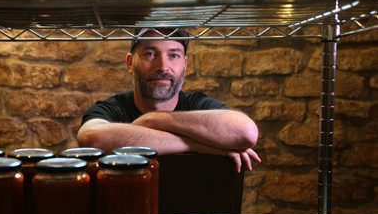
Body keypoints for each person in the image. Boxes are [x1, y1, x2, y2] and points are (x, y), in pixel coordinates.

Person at [77, 28, 261, 173]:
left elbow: (246, 132)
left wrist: (154, 120)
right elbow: (91, 138)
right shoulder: (112, 109)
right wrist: (198, 145)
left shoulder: (197, 105)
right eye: (150, 54)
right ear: (130, 63)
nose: (163, 66)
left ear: (185, 65)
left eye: (173, 55)